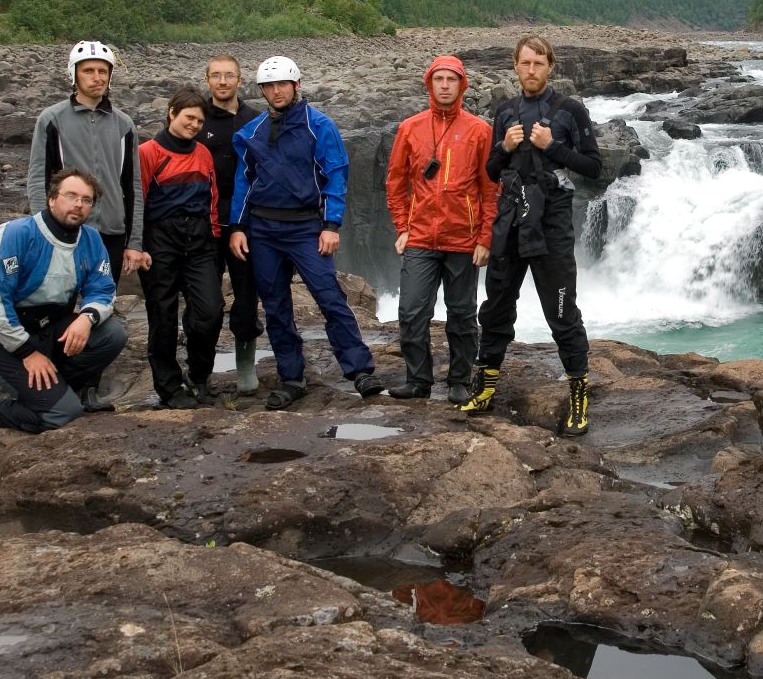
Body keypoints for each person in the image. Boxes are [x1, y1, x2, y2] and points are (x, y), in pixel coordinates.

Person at [460, 35, 601, 436]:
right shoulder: (503, 111)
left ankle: (578, 395)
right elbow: (489, 171)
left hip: (552, 220)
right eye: (525, 63)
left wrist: (551, 146)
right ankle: (485, 388)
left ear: (551, 66)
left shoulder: (570, 110)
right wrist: (504, 147)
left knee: (561, 312)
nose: (532, 70)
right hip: (511, 218)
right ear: (515, 66)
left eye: (539, 63)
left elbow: (592, 166)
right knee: (498, 306)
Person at [229, 55, 383, 409]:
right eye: (269, 86)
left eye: (282, 83)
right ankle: (291, 377)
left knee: (330, 298)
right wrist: (238, 227)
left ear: (296, 85)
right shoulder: (250, 134)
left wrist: (331, 224)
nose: (276, 91)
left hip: (306, 227)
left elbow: (336, 174)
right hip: (264, 230)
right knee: (276, 305)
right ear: (263, 91)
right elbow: (243, 184)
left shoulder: (319, 125)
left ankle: (359, 370)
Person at [0, 169, 129, 440]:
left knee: (112, 333)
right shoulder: (16, 235)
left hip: (51, 328)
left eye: (86, 200)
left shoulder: (92, 239)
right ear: (51, 199)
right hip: (3, 342)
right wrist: (27, 353)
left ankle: (66, 388)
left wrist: (86, 318)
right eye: (71, 196)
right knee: (63, 414)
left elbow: (103, 289)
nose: (78, 205)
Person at [384, 55, 498, 403]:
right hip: (420, 238)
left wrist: (485, 238)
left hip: (463, 240)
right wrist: (402, 227)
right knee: (411, 311)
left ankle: (459, 380)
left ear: (462, 85)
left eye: (452, 79)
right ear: (429, 84)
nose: (445, 85)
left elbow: (491, 188)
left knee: (462, 314)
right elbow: (395, 181)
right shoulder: (410, 127)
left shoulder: (480, 130)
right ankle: (418, 380)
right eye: (439, 79)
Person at [27, 40, 149, 285]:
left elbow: (132, 186)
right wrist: (43, 231)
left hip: (111, 231)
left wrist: (134, 242)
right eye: (88, 71)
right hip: (66, 228)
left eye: (103, 71)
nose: (97, 77)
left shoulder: (124, 124)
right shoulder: (52, 119)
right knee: (62, 304)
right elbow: (38, 179)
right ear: (74, 74)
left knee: (102, 302)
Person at [138, 86, 223, 409]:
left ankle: (199, 375)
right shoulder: (148, 152)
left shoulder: (202, 153)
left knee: (211, 311)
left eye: (200, 121)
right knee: (162, 316)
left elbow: (212, 198)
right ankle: (169, 387)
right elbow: (138, 200)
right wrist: (138, 246)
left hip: (200, 240)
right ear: (171, 113)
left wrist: (214, 238)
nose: (194, 125)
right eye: (189, 118)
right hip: (160, 241)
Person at [197, 54, 264, 394]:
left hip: (246, 222)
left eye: (229, 76)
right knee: (204, 300)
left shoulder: (256, 120)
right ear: (207, 81)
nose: (222, 82)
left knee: (246, 295)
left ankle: (245, 367)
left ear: (241, 81)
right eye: (216, 76)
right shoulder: (196, 119)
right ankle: (201, 370)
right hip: (204, 222)